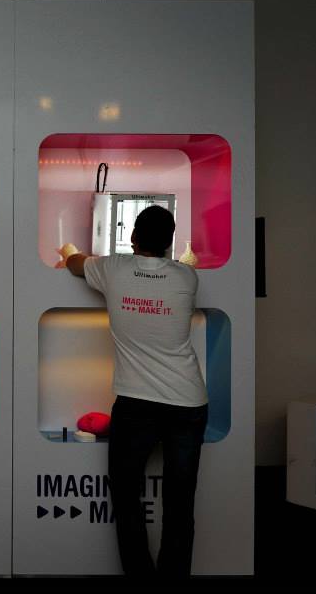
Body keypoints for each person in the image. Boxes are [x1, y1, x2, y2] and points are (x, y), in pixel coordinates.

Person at [64, 205, 208, 577]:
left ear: (132, 238)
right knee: (180, 504)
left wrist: (70, 252)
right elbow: (183, 265)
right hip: (187, 402)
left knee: (127, 498)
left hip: (136, 404)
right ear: (170, 242)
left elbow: (75, 263)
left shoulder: (113, 268)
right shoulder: (187, 276)